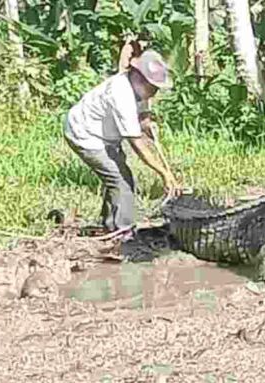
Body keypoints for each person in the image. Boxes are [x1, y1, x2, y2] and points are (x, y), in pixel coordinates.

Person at [63, 49, 184, 240]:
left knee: (117, 176)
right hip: (84, 134)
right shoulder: (121, 94)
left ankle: (111, 224)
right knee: (121, 180)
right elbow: (136, 142)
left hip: (106, 135)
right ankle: (123, 232)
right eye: (153, 87)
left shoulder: (138, 89)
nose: (155, 91)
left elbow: (142, 117)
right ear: (139, 77)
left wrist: (146, 125)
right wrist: (165, 173)